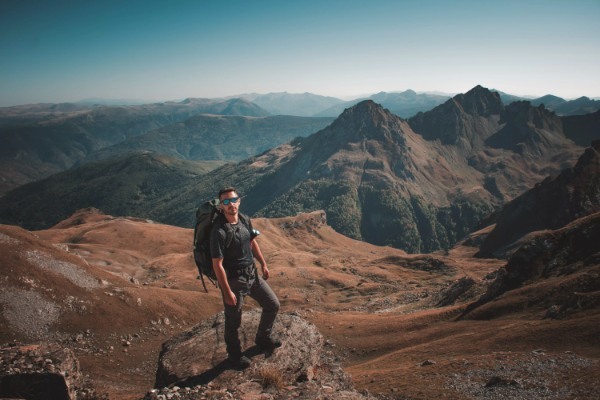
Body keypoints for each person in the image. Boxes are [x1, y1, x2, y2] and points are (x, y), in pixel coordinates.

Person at [210, 187, 281, 369]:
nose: (231, 204)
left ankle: (262, 338)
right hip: (235, 281)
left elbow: (252, 242)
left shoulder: (244, 219)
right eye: (225, 202)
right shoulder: (218, 232)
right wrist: (226, 292)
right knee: (233, 320)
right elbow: (217, 264)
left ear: (239, 201)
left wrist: (263, 263)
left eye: (233, 200)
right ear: (221, 206)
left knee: (272, 304)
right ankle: (234, 356)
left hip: (252, 274)